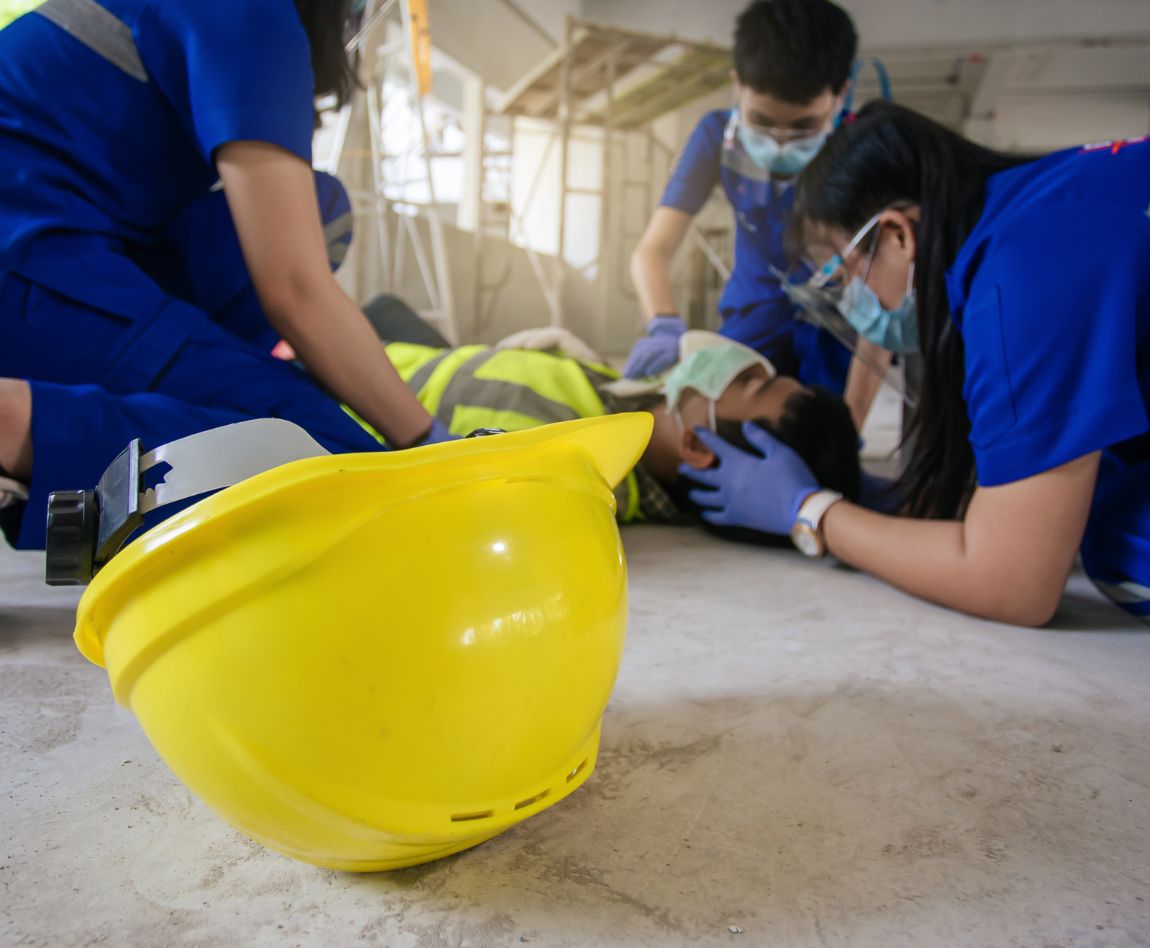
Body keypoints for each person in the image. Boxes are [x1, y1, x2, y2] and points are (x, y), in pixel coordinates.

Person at [0, 0, 451, 551]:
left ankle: (158, 405)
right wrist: (431, 448)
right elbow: (294, 289)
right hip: (27, 261)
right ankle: (13, 425)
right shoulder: (252, 11)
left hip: (51, 239)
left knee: (320, 203)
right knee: (324, 457)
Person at [679, 100, 1150, 626]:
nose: (856, 302)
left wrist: (812, 512)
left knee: (1121, 542)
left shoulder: (1017, 284)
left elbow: (1014, 584)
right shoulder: (1041, 202)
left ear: (899, 235)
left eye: (844, 275)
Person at [623, 0, 886, 428]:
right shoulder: (715, 138)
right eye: (761, 121)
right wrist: (664, 326)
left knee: (816, 443)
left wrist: (850, 425)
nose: (780, 143)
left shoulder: (865, 152)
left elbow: (883, 293)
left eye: (803, 127)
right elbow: (651, 251)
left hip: (838, 333)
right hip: (751, 321)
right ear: (738, 83)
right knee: (720, 431)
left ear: (841, 93)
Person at [353, 323, 860, 528]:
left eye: (748, 382)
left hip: (339, 371)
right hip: (399, 352)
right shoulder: (620, 403)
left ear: (696, 445)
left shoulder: (558, 457)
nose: (744, 362)